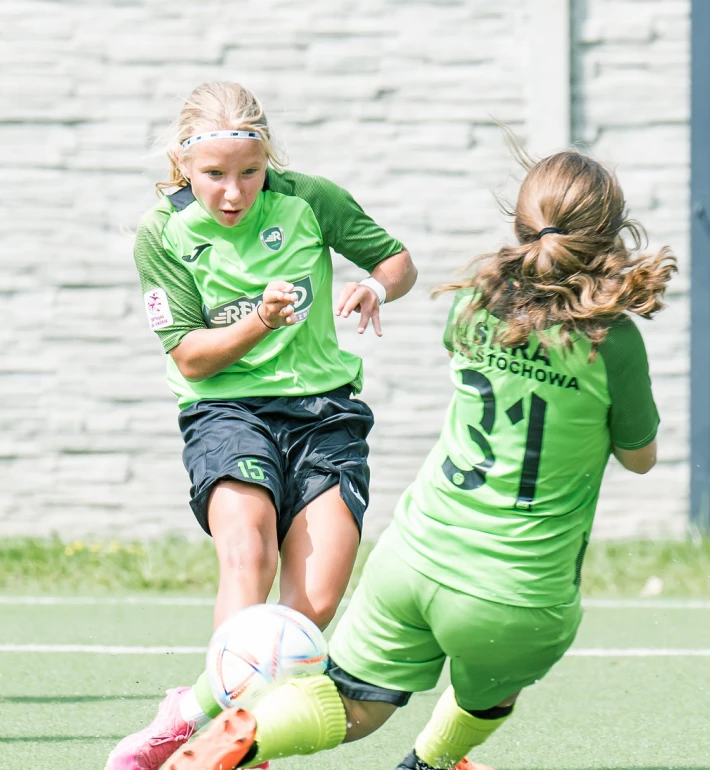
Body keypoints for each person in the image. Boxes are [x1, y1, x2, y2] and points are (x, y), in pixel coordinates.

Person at [162, 144, 677, 770]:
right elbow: (639, 457)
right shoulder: (611, 341)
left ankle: (242, 739)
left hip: (411, 559)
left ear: (521, 225)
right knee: (491, 692)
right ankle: (430, 764)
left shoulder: (473, 305)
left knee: (349, 707)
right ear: (608, 237)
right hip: (515, 589)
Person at [107, 81, 417, 770]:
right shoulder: (163, 233)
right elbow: (190, 357)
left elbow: (397, 260)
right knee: (249, 553)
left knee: (312, 607)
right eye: (215, 174)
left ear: (268, 157)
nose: (233, 191)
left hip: (325, 413)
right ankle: (229, 741)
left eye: (249, 172)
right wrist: (260, 321)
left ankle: (192, 709)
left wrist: (375, 286)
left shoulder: (310, 200)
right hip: (226, 410)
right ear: (183, 163)